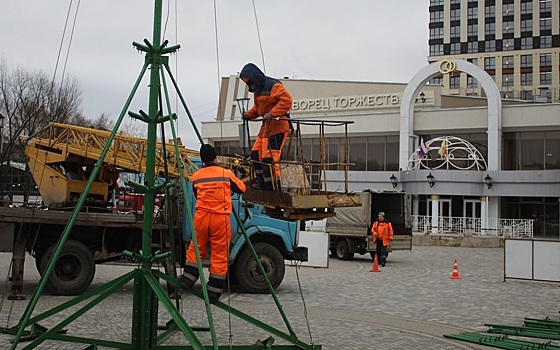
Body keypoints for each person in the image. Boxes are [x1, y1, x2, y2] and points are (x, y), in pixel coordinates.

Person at [180, 144, 246, 303]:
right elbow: (242, 189)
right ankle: (213, 291)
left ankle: (188, 279)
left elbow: (196, 193)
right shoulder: (226, 173)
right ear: (215, 157)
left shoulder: (197, 175)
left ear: (202, 159)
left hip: (202, 216)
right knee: (219, 254)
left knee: (196, 247)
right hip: (220, 218)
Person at [239, 63, 293, 190]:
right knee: (255, 155)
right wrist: (249, 115)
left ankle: (274, 186)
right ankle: (263, 183)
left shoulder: (274, 86)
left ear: (254, 79)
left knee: (269, 157)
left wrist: (272, 114)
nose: (249, 86)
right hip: (266, 128)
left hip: (278, 126)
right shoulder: (258, 91)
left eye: (249, 83)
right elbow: (258, 109)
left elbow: (287, 101)